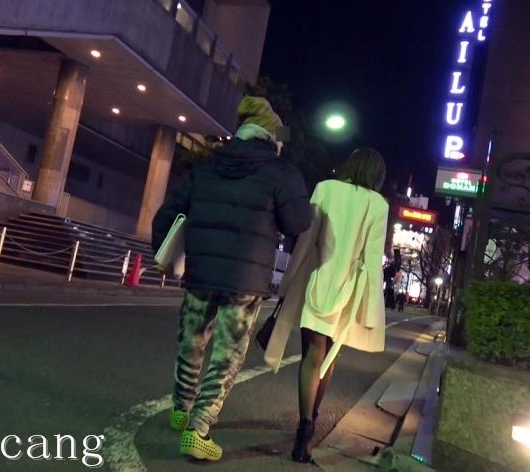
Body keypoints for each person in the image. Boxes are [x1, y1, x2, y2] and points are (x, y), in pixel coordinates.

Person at [152, 96, 311, 462]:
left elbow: (168, 212)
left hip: (200, 271)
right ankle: (199, 429)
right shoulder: (281, 172)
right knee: (227, 355)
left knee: (191, 341)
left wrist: (162, 252)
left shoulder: (208, 165)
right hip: (245, 279)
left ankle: (180, 409)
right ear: (271, 136)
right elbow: (298, 223)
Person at [262, 148, 389, 463]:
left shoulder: (325, 188)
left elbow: (306, 238)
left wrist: (289, 281)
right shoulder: (378, 205)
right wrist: (371, 309)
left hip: (318, 281)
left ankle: (304, 424)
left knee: (311, 356)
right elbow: (372, 260)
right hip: (348, 290)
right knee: (329, 358)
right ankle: (310, 430)